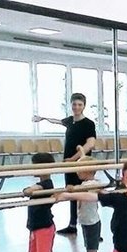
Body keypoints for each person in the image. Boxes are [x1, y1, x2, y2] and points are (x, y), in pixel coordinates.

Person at [33, 93, 96, 236]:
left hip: (82, 164)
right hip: (69, 164)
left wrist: (74, 158)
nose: (77, 107)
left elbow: (90, 144)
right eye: (74, 104)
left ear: (84, 106)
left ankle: (92, 228)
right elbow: (57, 121)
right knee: (71, 191)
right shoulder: (69, 121)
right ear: (71, 105)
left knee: (87, 193)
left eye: (80, 105)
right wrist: (43, 118)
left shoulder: (88, 124)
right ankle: (72, 224)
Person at [13, 152, 56, 252]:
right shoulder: (42, 183)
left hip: (44, 228)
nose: (32, 168)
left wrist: (28, 190)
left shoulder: (46, 183)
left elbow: (29, 191)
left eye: (35, 166)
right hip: (35, 227)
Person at [70, 155, 102, 252]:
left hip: (91, 223)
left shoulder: (92, 184)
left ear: (88, 171)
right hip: (86, 221)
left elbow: (81, 189)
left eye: (79, 168)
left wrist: (72, 189)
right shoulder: (87, 183)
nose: (77, 171)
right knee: (90, 251)